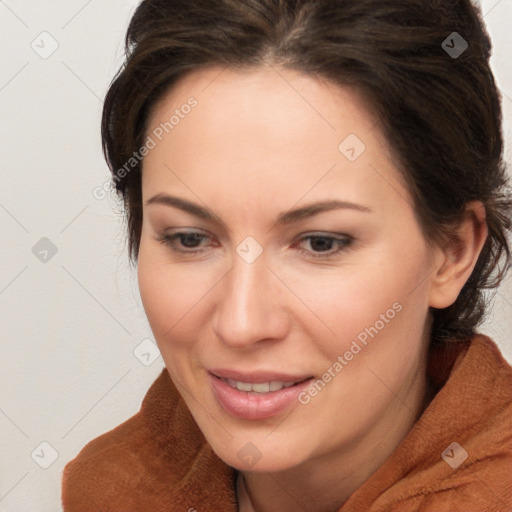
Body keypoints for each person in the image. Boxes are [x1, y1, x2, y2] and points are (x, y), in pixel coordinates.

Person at [61, 0, 512, 510]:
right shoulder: (110, 489)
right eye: (190, 238)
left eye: (321, 243)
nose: (241, 323)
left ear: (453, 252)